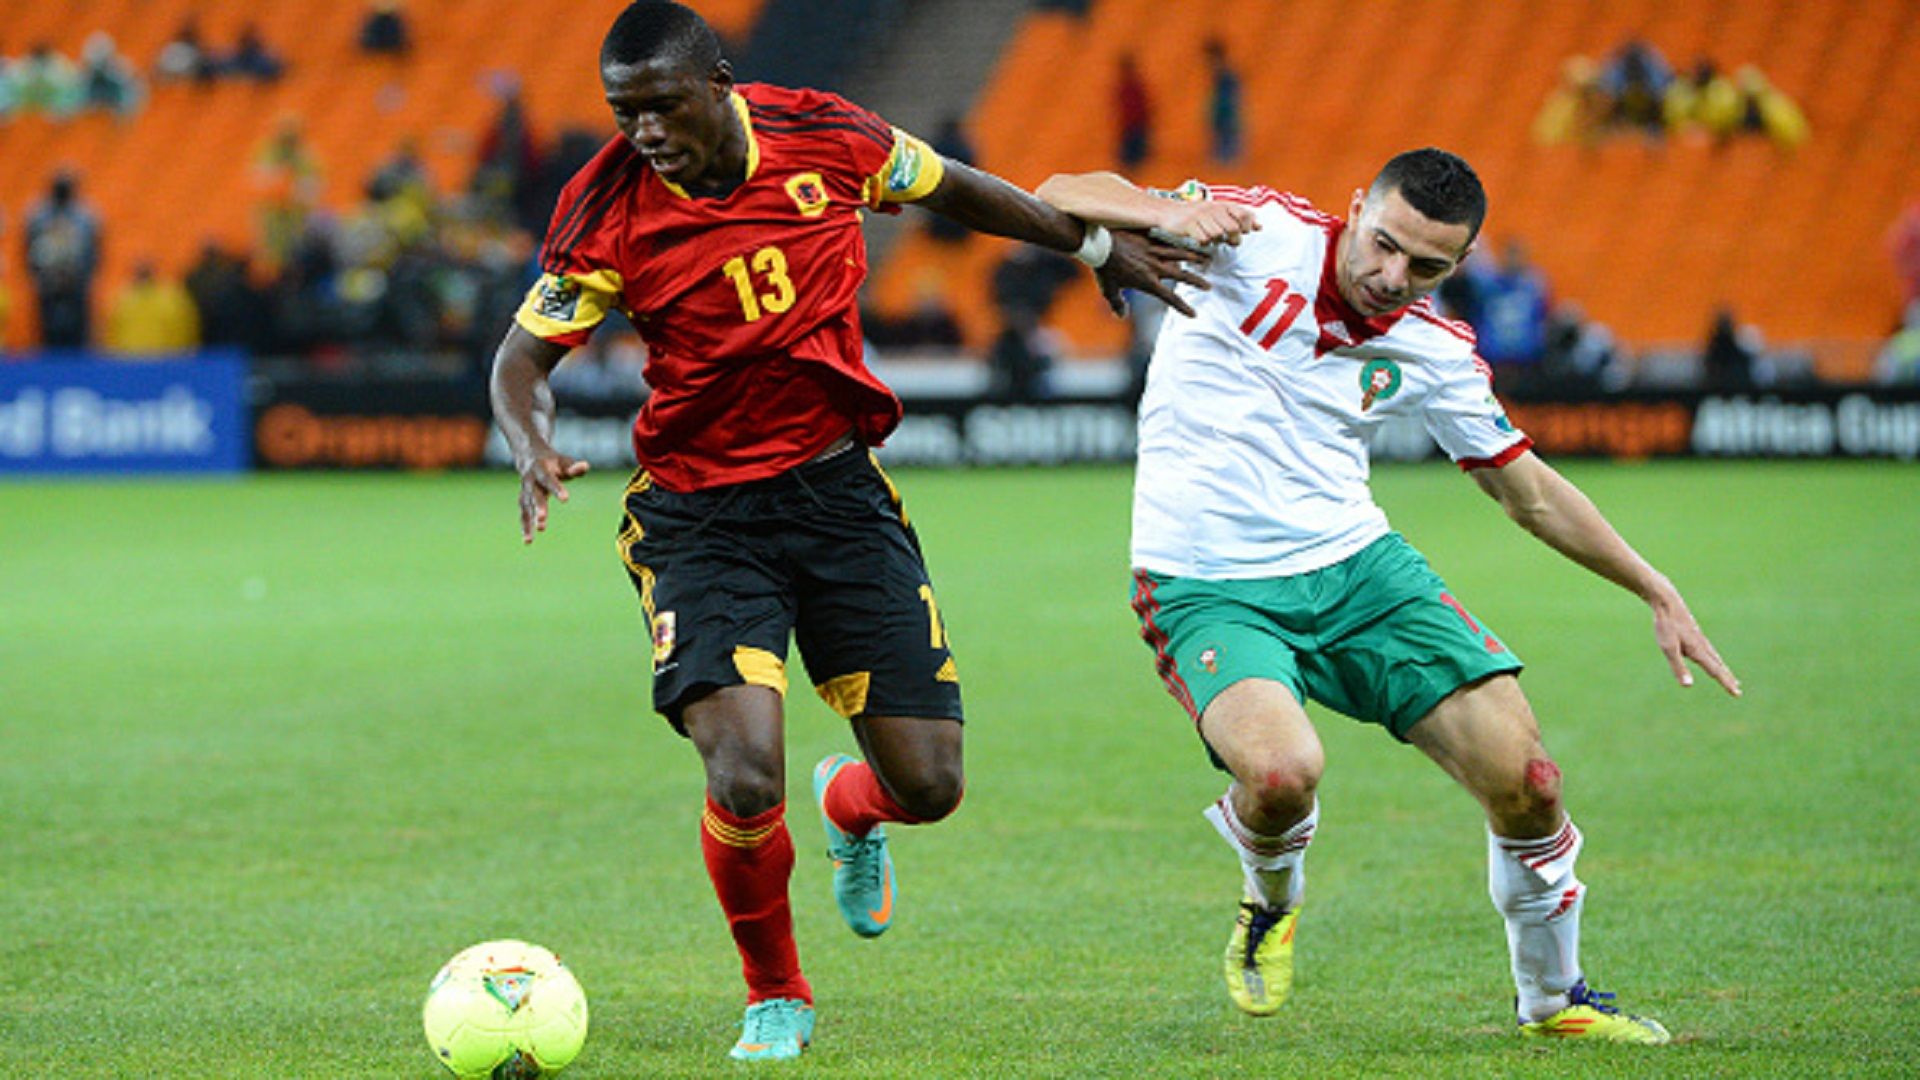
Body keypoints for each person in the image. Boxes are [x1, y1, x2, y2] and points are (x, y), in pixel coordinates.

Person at [488, 1, 1191, 1063]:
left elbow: (960, 189)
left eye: (659, 107)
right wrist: (530, 446)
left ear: (716, 83)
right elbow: (518, 362)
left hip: (837, 497)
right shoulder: (605, 211)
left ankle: (852, 810)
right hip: (699, 516)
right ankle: (777, 990)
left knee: (931, 786)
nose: (641, 133)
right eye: (622, 113)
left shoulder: (827, 137)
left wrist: (1092, 242)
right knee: (742, 774)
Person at [1036, 148, 1740, 1044]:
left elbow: (1525, 491)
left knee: (1530, 782)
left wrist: (1652, 584)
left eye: (1427, 267)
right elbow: (1057, 194)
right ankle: (1269, 900)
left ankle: (1555, 998)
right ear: (1358, 203)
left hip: (1360, 570)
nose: (1391, 276)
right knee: (1282, 776)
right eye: (1384, 245)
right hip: (1206, 580)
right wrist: (1161, 214)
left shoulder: (1436, 350)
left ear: (1459, 267)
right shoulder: (1257, 235)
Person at [24, 169, 102, 350]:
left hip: (76, 281)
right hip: (48, 281)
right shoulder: (39, 216)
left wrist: (87, 275)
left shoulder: (85, 216)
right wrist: (37, 275)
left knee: (79, 330)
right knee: (47, 329)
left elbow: (95, 249)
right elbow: (29, 248)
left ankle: (79, 364)